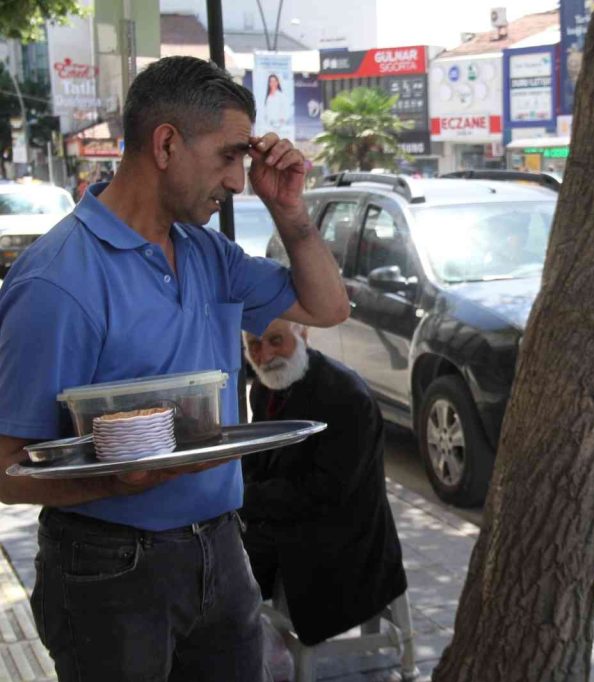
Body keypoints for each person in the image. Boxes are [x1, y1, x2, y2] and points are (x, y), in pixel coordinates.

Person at [0, 56, 348, 681]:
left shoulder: (207, 250)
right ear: (165, 144)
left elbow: (328, 307)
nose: (240, 181)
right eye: (229, 156)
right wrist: (114, 482)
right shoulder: (58, 282)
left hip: (218, 544)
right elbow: (4, 470)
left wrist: (291, 212)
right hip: (108, 566)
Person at [240, 319, 407, 645]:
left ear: (303, 333)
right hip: (286, 519)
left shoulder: (346, 396)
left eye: (276, 340)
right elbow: (259, 461)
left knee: (221, 577)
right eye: (254, 346)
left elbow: (324, 492)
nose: (266, 355)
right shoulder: (265, 387)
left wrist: (243, 499)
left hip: (342, 541)